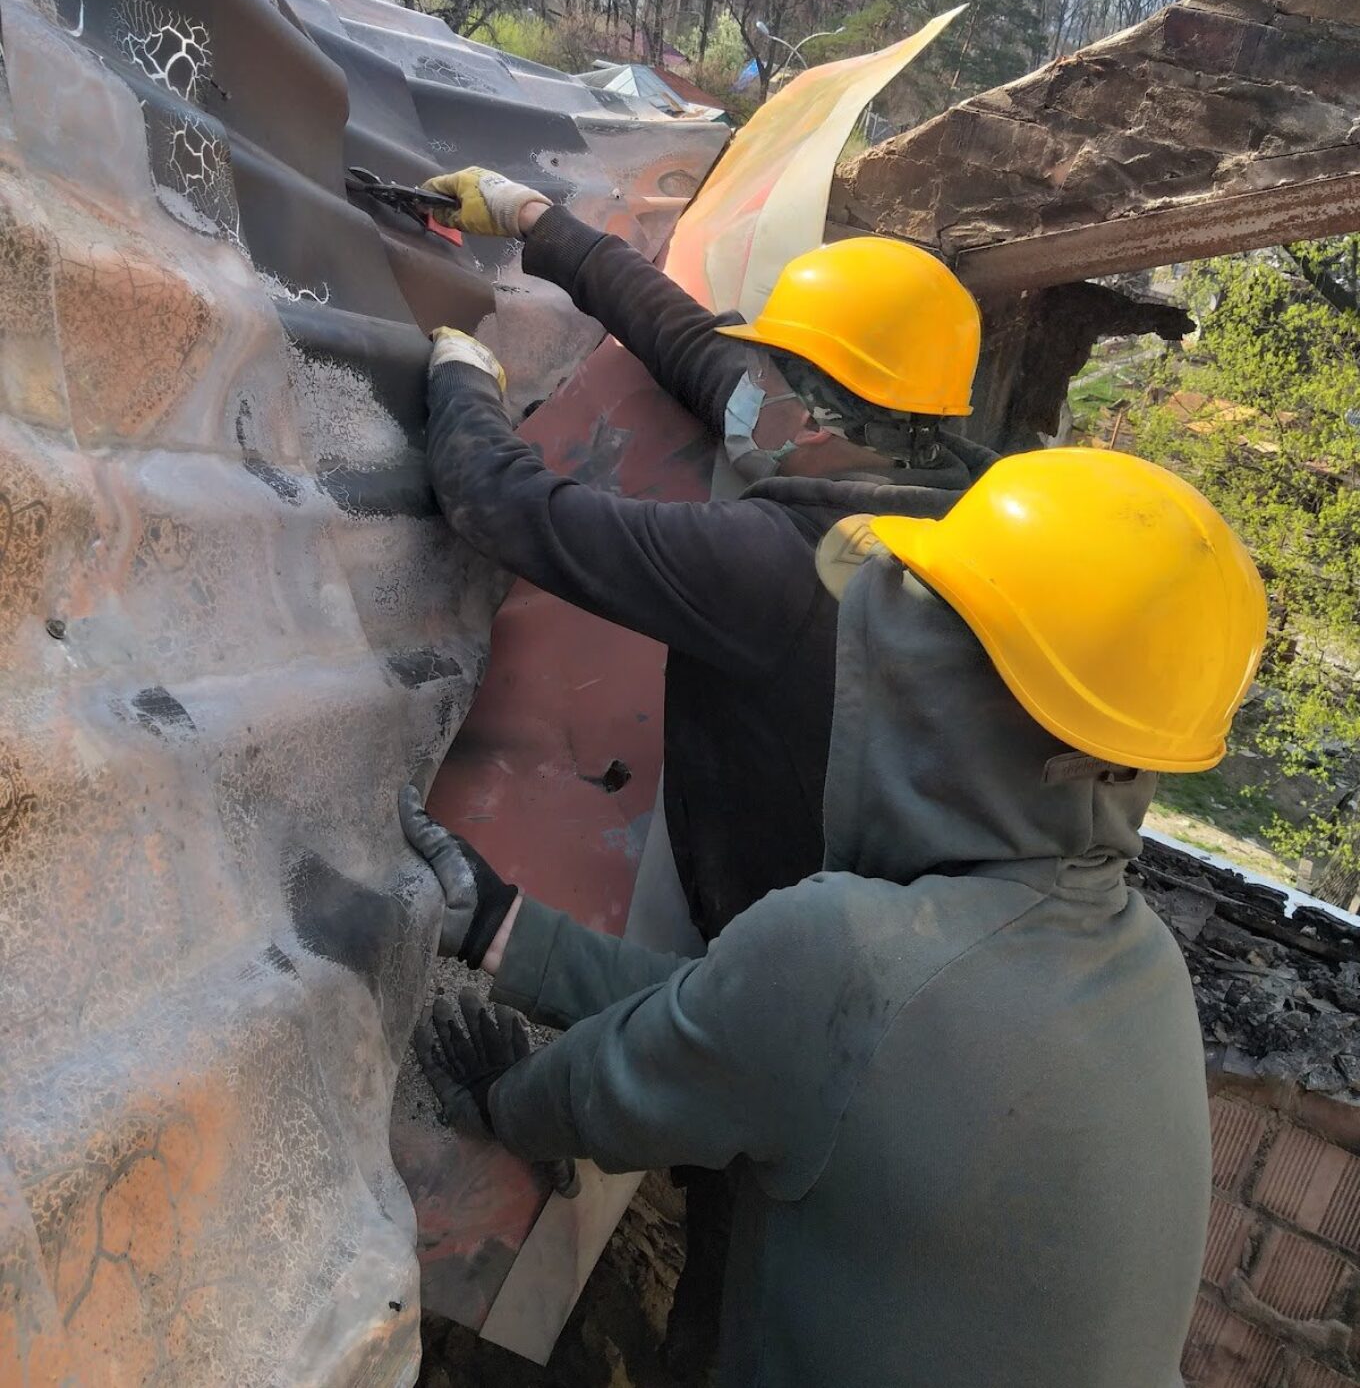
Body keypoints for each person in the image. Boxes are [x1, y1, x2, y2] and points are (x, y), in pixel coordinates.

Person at [404, 446, 1268, 1388]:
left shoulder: (852, 956)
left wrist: (501, 1098)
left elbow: (625, 1085)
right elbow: (753, 1025)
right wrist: (503, 927)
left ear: (947, 692)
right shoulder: (1142, 963)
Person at [419, 164, 992, 944]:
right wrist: (534, 218)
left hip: (792, 945)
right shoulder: (954, 489)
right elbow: (692, 346)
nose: (742, 380)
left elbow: (505, 505)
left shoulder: (782, 566)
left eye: (761, 367)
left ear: (814, 420)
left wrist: (462, 382)